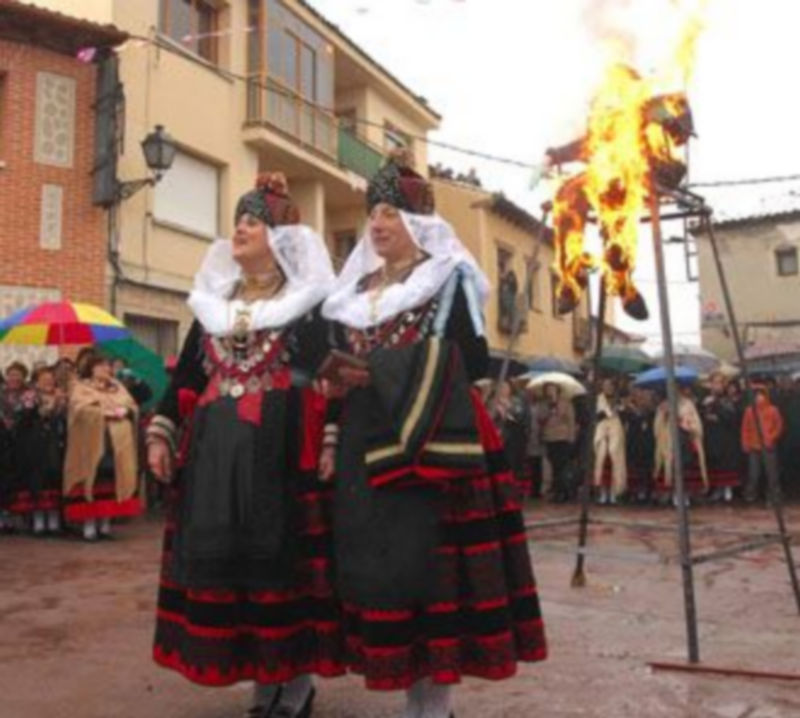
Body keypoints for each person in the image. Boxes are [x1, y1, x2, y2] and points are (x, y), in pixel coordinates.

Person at [320, 153, 546, 718]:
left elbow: (471, 357)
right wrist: (333, 417)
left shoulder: (446, 278)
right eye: (373, 212)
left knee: (433, 572)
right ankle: (410, 696)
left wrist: (379, 370)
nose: (377, 223)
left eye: (390, 213)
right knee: (384, 568)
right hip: (366, 443)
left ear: (418, 222)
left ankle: (434, 706)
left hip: (433, 439)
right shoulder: (354, 291)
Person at [145, 173, 341, 716]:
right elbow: (188, 376)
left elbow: (334, 378)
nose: (240, 229)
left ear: (280, 238)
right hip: (215, 453)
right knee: (231, 568)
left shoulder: (310, 304)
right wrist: (162, 431)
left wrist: (331, 439)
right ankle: (260, 682)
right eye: (238, 220)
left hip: (282, 451)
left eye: (253, 221)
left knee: (281, 566)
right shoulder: (215, 303)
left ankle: (295, 685)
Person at [63, 353, 141, 540]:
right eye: (101, 366)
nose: (106, 369)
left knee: (111, 480)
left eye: (108, 366)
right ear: (91, 369)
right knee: (92, 479)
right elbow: (78, 409)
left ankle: (105, 524)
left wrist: (126, 411)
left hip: (117, 444)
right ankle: (89, 524)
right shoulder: (81, 388)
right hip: (91, 442)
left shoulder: (118, 387)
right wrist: (102, 413)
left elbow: (133, 406)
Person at [14, 366, 67, 535]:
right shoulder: (30, 396)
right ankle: (38, 519)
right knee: (38, 481)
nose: (48, 382)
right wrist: (43, 409)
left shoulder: (61, 396)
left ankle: (53, 519)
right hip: (35, 445)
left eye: (50, 379)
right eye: (43, 379)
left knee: (55, 480)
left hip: (56, 444)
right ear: (36, 381)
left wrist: (60, 404)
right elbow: (23, 419)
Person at [653, 386, 708, 502]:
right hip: (668, 441)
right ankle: (674, 492)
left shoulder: (688, 404)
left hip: (684, 438)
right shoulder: (663, 405)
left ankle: (685, 493)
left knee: (685, 467)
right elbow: (657, 427)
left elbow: (695, 423)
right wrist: (665, 416)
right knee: (671, 467)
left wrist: (684, 422)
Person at [701, 373, 742, 502]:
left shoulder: (727, 400)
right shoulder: (705, 400)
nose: (717, 386)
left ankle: (727, 488)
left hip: (725, 438)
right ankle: (716, 489)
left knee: (726, 465)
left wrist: (718, 416)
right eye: (714, 383)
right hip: (711, 437)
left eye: (719, 383)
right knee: (713, 464)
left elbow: (732, 418)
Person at [0, 362, 32, 531]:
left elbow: (28, 413)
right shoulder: (1, 393)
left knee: (19, 477)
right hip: (2, 441)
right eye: (11, 374)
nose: (14, 378)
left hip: (22, 440)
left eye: (18, 374)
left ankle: (19, 515)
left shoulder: (29, 393)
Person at [741, 387, 784, 504]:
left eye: (761, 395)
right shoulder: (749, 411)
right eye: (757, 395)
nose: (759, 397)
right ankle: (751, 495)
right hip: (754, 446)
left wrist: (771, 438)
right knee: (753, 473)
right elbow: (745, 429)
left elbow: (779, 426)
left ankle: (774, 496)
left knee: (772, 473)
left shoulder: (773, 410)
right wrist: (745, 443)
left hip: (768, 446)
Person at [593, 378, 627, 504]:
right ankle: (602, 492)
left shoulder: (618, 400)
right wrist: (605, 413)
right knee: (601, 462)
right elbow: (595, 416)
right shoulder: (598, 399)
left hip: (615, 433)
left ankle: (614, 492)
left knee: (615, 462)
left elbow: (623, 416)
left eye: (610, 385)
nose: (607, 388)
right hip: (602, 433)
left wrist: (619, 409)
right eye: (605, 385)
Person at [542, 382, 577, 502]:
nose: (550, 391)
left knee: (561, 465)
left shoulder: (566, 403)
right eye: (548, 389)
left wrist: (571, 437)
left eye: (552, 389)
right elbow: (540, 418)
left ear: (557, 390)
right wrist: (548, 410)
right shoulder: (545, 403)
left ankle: (562, 492)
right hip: (549, 437)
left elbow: (571, 420)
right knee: (554, 465)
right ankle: (558, 491)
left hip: (562, 437)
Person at [620, 387, 656, 503]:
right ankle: (633, 491)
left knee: (647, 466)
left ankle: (647, 491)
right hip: (633, 443)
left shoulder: (652, 412)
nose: (641, 398)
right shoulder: (628, 411)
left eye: (644, 396)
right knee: (634, 465)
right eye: (638, 395)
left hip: (648, 444)